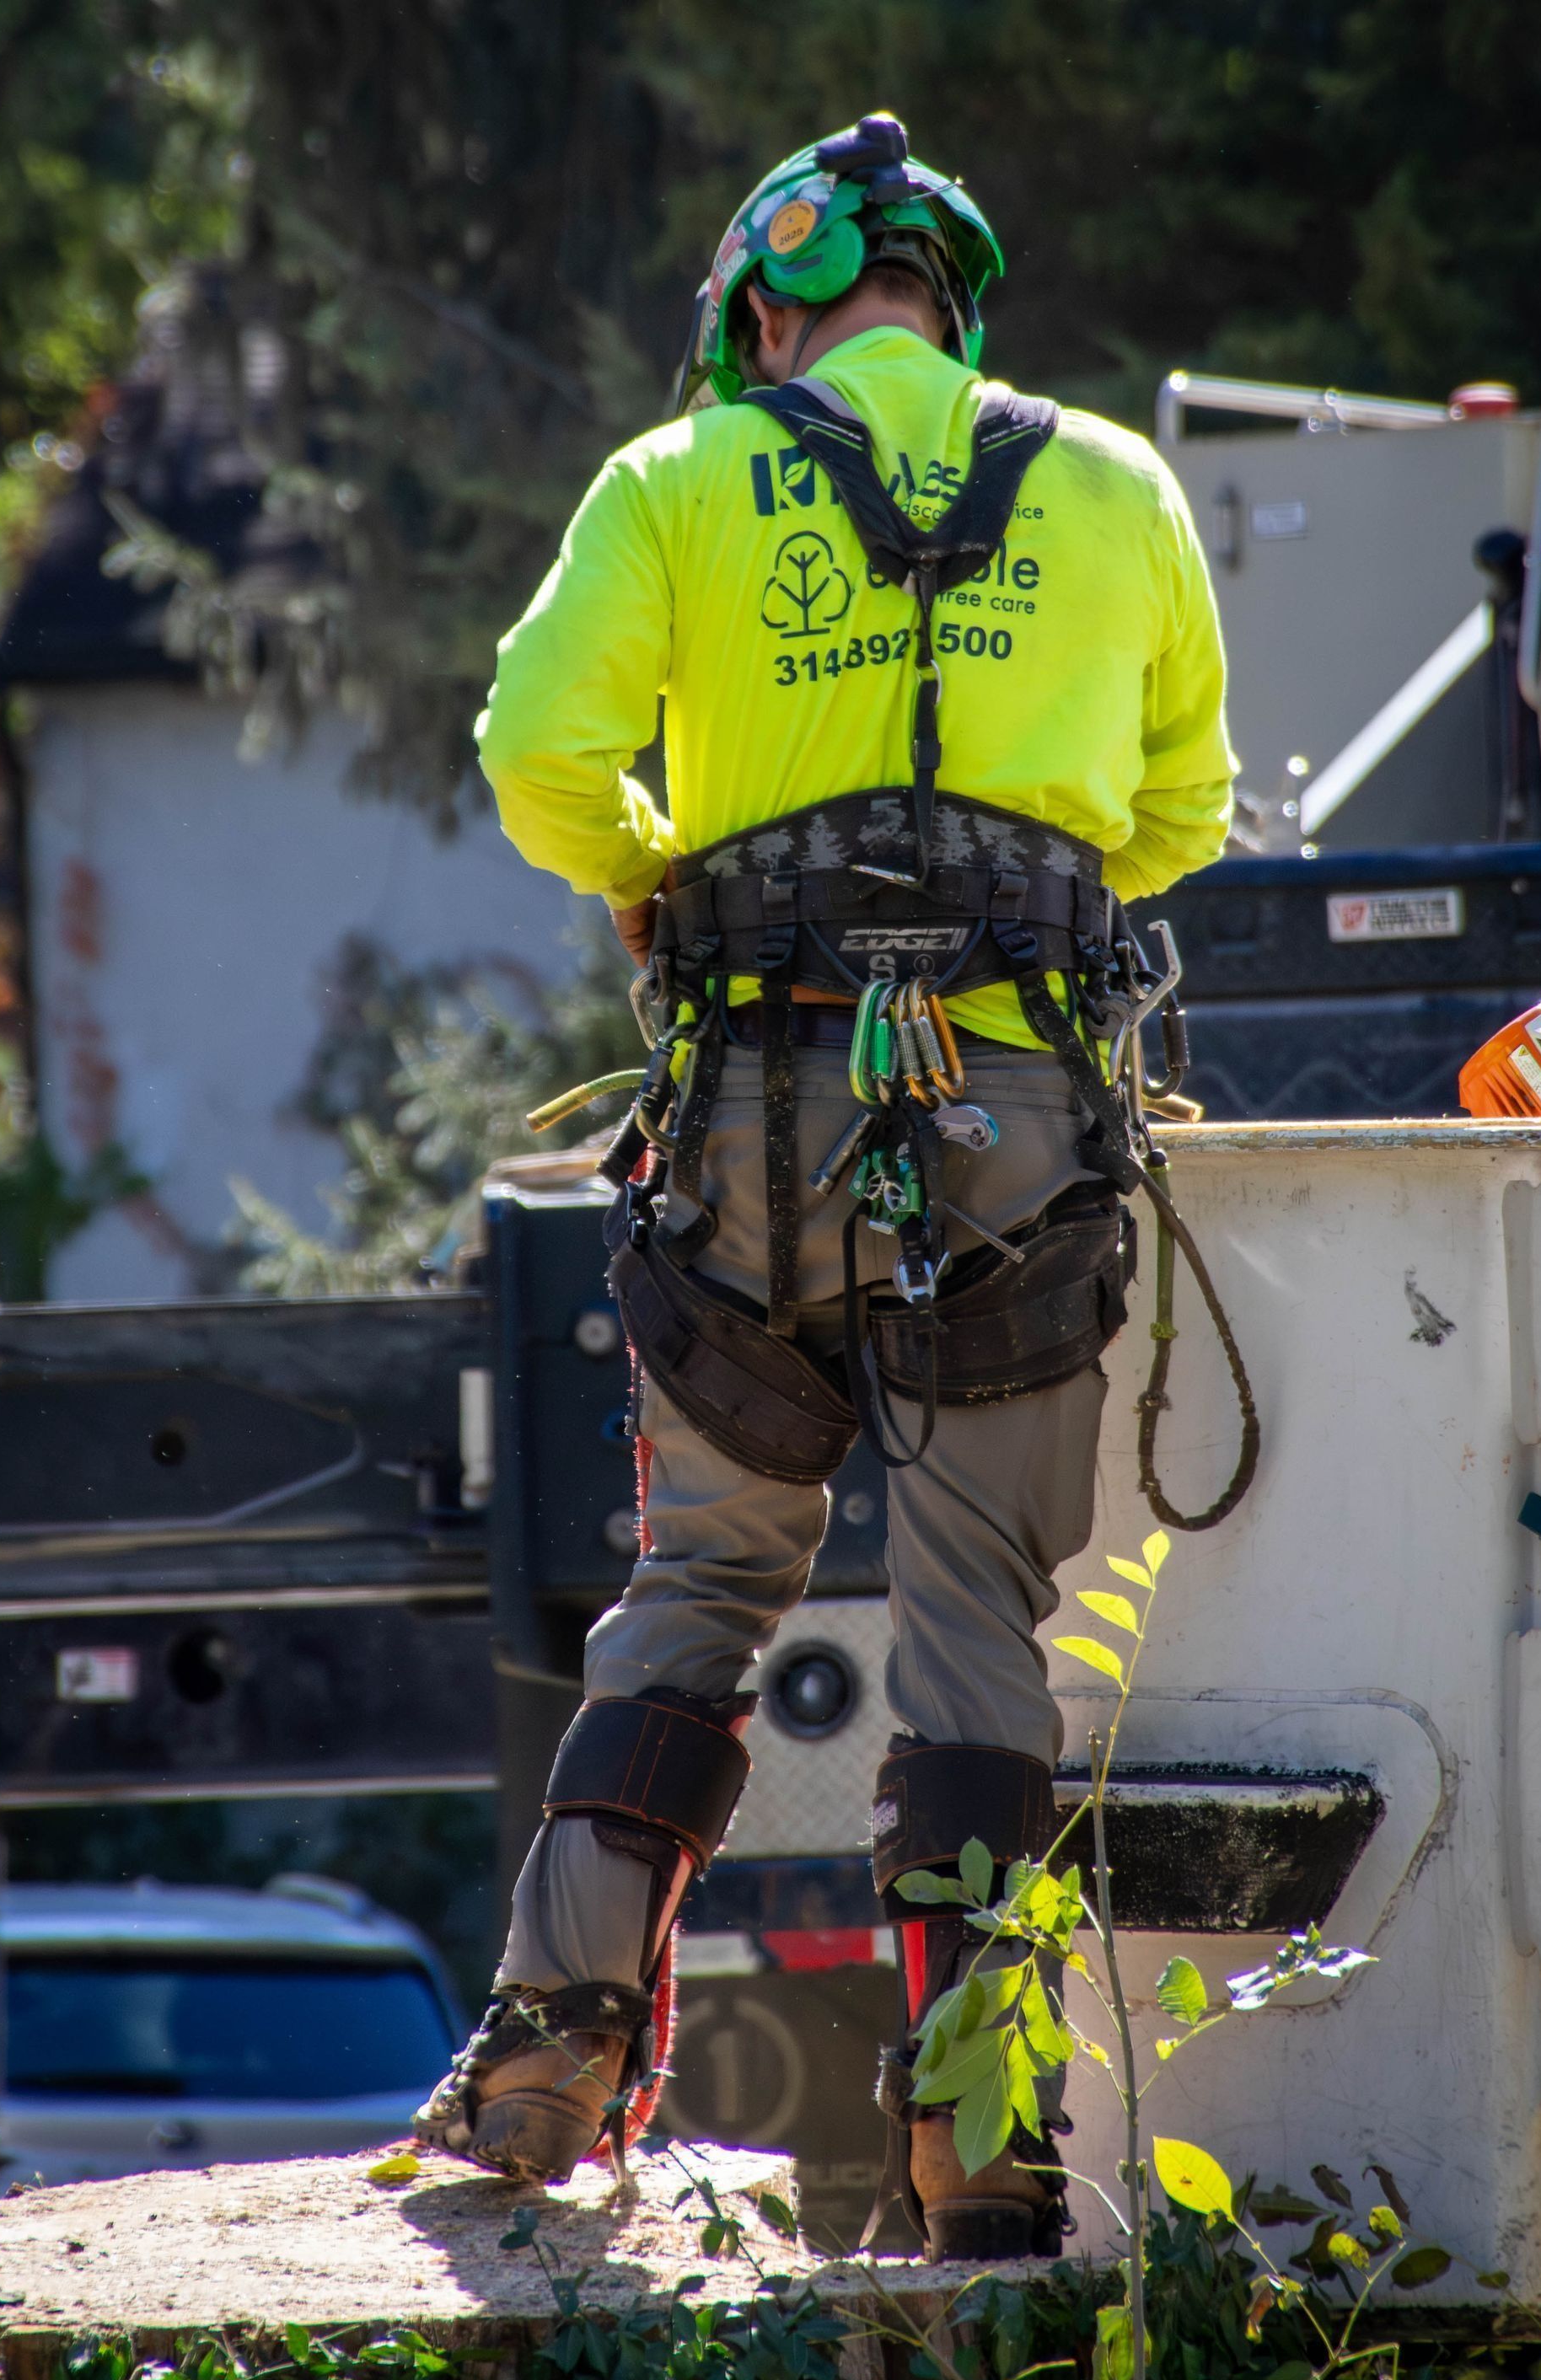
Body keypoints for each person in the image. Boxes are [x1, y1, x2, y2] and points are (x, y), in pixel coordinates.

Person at [416, 111, 1234, 2260]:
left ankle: (541, 2069)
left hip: (751, 1128)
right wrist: (1020, 903)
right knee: (980, 1629)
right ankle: (980, 2161)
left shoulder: (679, 482)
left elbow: (532, 755)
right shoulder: (1118, 485)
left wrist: (662, 875)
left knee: (697, 1595)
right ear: (950, 304)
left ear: (770, 306)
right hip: (1012, 1127)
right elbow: (1187, 810)